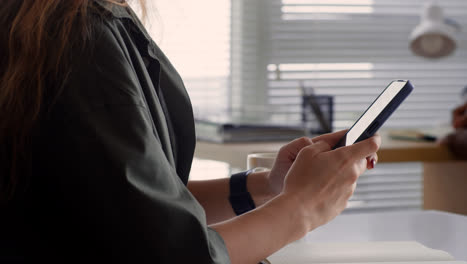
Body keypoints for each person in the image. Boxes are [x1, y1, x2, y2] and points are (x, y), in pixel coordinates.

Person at [0, 1, 380, 263]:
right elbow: (171, 255)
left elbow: (131, 207)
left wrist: (266, 188)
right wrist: (302, 206)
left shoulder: (74, 23)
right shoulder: (79, 41)